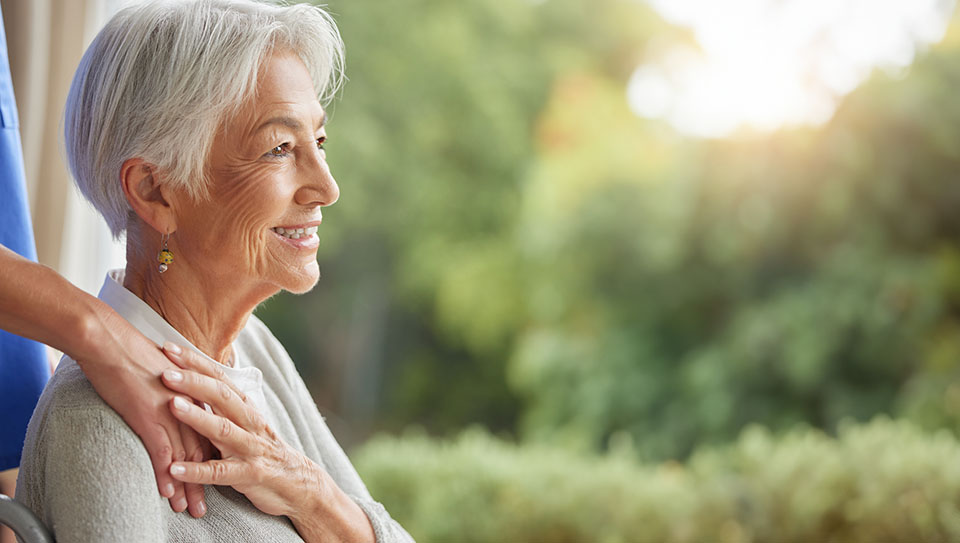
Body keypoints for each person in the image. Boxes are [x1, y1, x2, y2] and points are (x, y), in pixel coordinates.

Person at [15, 0, 414, 541]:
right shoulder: (95, 421)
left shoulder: (252, 349)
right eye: (280, 148)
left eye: (318, 142)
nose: (327, 187)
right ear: (155, 192)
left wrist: (310, 493)